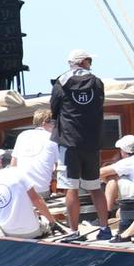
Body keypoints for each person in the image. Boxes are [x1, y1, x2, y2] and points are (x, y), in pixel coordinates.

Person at [50, 48, 109, 238]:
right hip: (91, 142)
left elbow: (54, 108)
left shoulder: (62, 82)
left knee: (71, 188)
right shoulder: (97, 82)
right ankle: (104, 228)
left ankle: (74, 231)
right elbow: (99, 103)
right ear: (83, 62)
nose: (91, 64)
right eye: (89, 60)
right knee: (95, 187)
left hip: (69, 142)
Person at [0, 148, 55, 239]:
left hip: (7, 233)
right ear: (0, 161)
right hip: (32, 232)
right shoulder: (17, 172)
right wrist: (52, 222)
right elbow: (36, 200)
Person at [10, 109, 59, 196]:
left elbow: (13, 165)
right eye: (53, 123)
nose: (55, 126)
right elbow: (59, 167)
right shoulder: (53, 138)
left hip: (21, 189)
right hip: (41, 190)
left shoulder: (22, 135)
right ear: (44, 123)